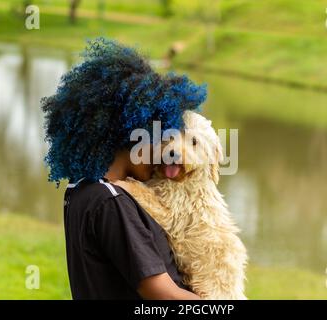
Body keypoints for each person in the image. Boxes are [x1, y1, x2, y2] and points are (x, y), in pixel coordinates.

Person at [41, 38, 207, 299]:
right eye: (161, 139)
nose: (165, 157)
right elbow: (165, 296)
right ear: (134, 133)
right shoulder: (111, 201)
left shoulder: (81, 188)